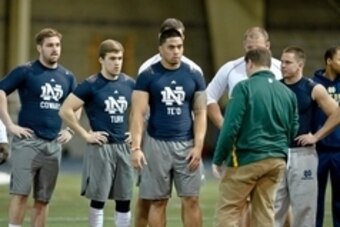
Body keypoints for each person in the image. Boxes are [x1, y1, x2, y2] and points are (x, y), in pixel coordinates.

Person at [212, 47, 299, 227]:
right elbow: (293, 128)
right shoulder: (288, 93)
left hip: (247, 158)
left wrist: (218, 158)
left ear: (249, 63)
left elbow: (230, 127)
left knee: (229, 210)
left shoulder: (243, 88)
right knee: (265, 211)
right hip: (277, 160)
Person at [0, 28, 77, 227]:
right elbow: (1, 91)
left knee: (43, 200)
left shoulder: (67, 76)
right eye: (50, 45)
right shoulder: (26, 71)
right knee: (21, 194)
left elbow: (77, 105)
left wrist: (70, 130)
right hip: (28, 142)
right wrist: (9, 124)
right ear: (39, 47)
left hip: (53, 145)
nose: (55, 49)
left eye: (57, 45)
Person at [130, 27, 207, 227]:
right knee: (158, 201)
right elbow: (137, 113)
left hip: (186, 144)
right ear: (160, 48)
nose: (176, 51)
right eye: (171, 47)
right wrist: (136, 148)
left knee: (191, 199)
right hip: (156, 144)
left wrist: (198, 146)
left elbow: (200, 112)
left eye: (180, 47)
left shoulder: (194, 74)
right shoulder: (148, 75)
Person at [59, 39, 134, 227]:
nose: (117, 62)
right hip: (101, 148)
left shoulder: (130, 84)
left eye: (120, 58)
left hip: (124, 147)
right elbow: (65, 110)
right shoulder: (91, 84)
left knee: (124, 199)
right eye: (112, 58)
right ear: (101, 59)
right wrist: (85, 135)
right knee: (98, 199)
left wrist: (135, 131)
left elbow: (141, 110)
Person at [274, 46, 338, 227]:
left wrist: (316, 136)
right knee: (273, 209)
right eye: (282, 62)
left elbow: (337, 113)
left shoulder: (313, 88)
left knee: (305, 210)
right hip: (277, 154)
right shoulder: (275, 88)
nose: (283, 66)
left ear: (300, 64)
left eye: (288, 62)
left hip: (303, 155)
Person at [295, 46, 340, 227]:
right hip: (317, 151)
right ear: (329, 61)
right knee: (314, 201)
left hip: (339, 151)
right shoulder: (312, 85)